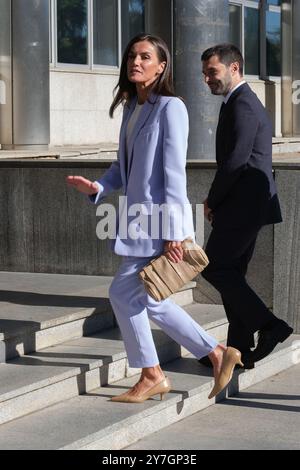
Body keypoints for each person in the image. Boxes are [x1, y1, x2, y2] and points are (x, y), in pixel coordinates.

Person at [66, 34, 243, 403]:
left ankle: (152, 374)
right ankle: (215, 353)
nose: (136, 61)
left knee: (122, 292)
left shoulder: (171, 107)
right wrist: (97, 187)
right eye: (132, 55)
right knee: (151, 300)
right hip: (136, 221)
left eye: (146, 56)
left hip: (158, 223)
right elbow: (123, 167)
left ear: (161, 66)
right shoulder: (133, 108)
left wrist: (175, 232)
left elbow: (173, 172)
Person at [200, 43, 293, 369]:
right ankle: (238, 349)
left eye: (212, 72)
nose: (207, 79)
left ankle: (270, 326)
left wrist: (212, 200)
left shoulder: (243, 105)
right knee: (232, 272)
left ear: (234, 67)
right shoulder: (237, 102)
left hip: (243, 205)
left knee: (216, 268)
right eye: (205, 73)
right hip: (247, 205)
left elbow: (236, 162)